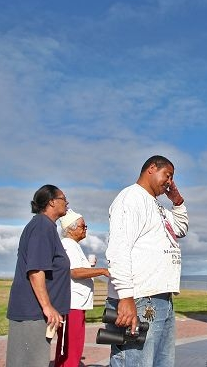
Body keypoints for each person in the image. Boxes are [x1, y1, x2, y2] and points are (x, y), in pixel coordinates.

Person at [105, 155, 189, 367]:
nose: (169, 181)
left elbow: (181, 229)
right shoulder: (131, 198)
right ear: (152, 168)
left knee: (161, 362)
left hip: (161, 299)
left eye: (172, 178)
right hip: (140, 299)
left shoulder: (157, 206)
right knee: (134, 362)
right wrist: (125, 297)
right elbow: (118, 250)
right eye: (167, 175)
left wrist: (177, 202)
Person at [6, 184, 71, 367]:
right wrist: (47, 306)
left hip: (37, 313)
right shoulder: (42, 225)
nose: (67, 203)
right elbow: (35, 270)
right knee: (29, 362)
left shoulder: (47, 227)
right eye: (63, 199)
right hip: (32, 312)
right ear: (51, 202)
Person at [54, 209, 110, 367]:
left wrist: (91, 267)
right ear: (71, 229)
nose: (85, 229)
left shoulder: (73, 246)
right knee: (72, 348)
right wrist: (102, 270)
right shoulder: (68, 245)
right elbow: (74, 272)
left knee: (68, 347)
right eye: (83, 226)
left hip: (76, 304)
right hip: (72, 305)